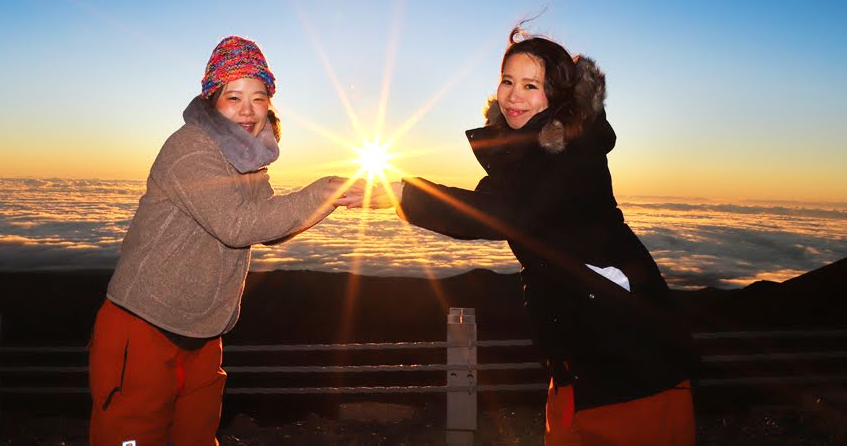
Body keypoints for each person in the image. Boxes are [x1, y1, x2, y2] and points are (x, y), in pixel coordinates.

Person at [367, 27, 699, 446]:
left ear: (556, 95)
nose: (513, 96)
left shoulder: (575, 151)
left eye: (530, 85)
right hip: (578, 366)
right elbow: (486, 205)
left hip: (635, 364)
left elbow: (506, 215)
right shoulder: (526, 158)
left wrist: (401, 194)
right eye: (507, 81)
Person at [88, 35, 360, 446]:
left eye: (259, 96)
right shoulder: (191, 148)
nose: (248, 111)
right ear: (212, 100)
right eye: (234, 97)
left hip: (202, 333)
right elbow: (238, 225)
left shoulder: (249, 159)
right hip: (143, 326)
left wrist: (335, 200)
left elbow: (266, 226)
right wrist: (324, 192)